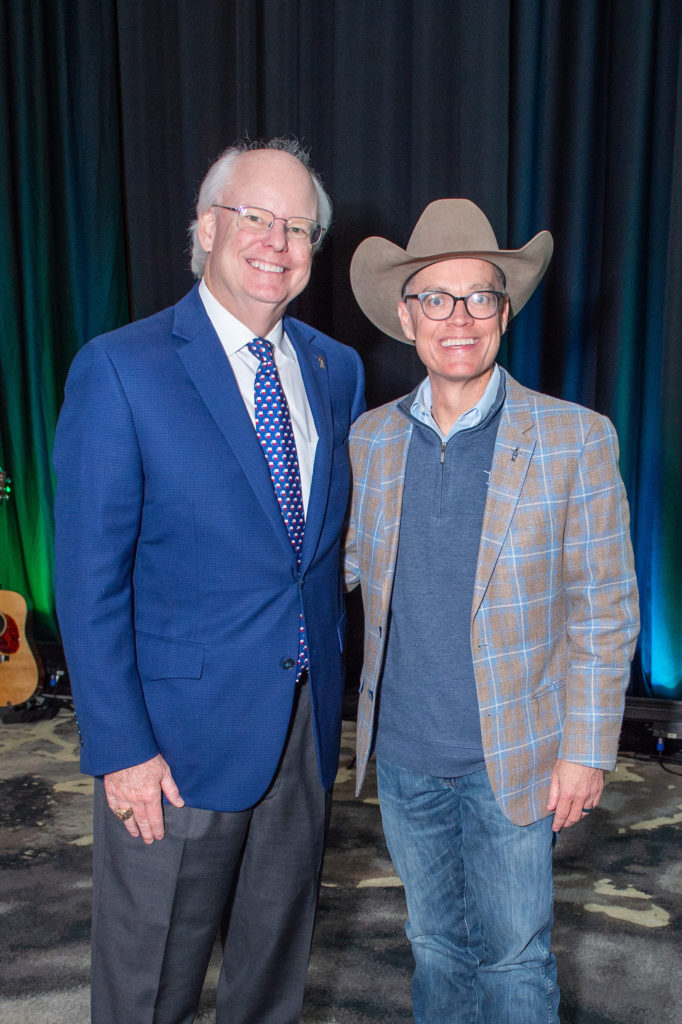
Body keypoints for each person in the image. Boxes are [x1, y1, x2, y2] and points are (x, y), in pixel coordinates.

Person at [53, 137, 365, 1024]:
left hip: (301, 730)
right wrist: (120, 748)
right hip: (173, 749)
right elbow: (88, 579)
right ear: (205, 226)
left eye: (298, 226)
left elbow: (310, 552)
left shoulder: (331, 369)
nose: (277, 241)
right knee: (151, 986)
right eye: (254, 217)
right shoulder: (121, 368)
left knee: (272, 979)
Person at [343, 198, 639, 1022]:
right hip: (403, 758)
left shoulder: (575, 437)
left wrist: (586, 749)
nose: (459, 318)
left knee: (513, 961)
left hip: (516, 758)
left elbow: (605, 609)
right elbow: (331, 567)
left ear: (504, 311)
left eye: (479, 296)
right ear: (407, 317)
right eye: (436, 298)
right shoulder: (367, 441)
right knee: (435, 948)